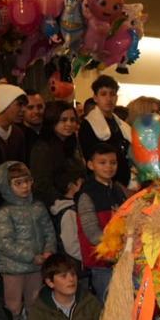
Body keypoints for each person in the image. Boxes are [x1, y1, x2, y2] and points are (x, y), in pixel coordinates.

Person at [0, 161, 57, 319]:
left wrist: (49, 251)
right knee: (13, 304)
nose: (25, 186)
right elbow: (5, 243)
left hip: (37, 264)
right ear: (6, 186)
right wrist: (31, 256)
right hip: (14, 268)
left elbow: (49, 231)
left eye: (27, 181)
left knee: (35, 302)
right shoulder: (3, 213)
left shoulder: (38, 207)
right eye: (18, 183)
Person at [77, 142, 128, 302]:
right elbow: (92, 234)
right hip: (101, 262)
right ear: (90, 165)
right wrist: (121, 244)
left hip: (122, 258)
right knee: (110, 306)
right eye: (102, 163)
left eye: (113, 163)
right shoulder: (86, 195)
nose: (109, 167)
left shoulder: (118, 190)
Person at [78, 75, 131, 186]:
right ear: (95, 98)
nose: (108, 98)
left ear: (116, 97)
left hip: (124, 180)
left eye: (112, 94)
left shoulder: (121, 124)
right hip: (102, 183)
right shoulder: (88, 124)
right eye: (103, 94)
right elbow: (90, 158)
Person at [29, 100, 83, 207]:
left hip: (77, 199)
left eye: (72, 120)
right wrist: (66, 196)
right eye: (63, 120)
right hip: (56, 205)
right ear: (52, 121)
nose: (69, 124)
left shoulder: (72, 143)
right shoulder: (42, 148)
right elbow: (41, 185)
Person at [49, 161, 85, 261]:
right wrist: (87, 257)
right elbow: (71, 246)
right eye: (80, 181)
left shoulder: (66, 207)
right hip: (75, 266)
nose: (83, 182)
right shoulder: (68, 212)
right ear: (71, 185)